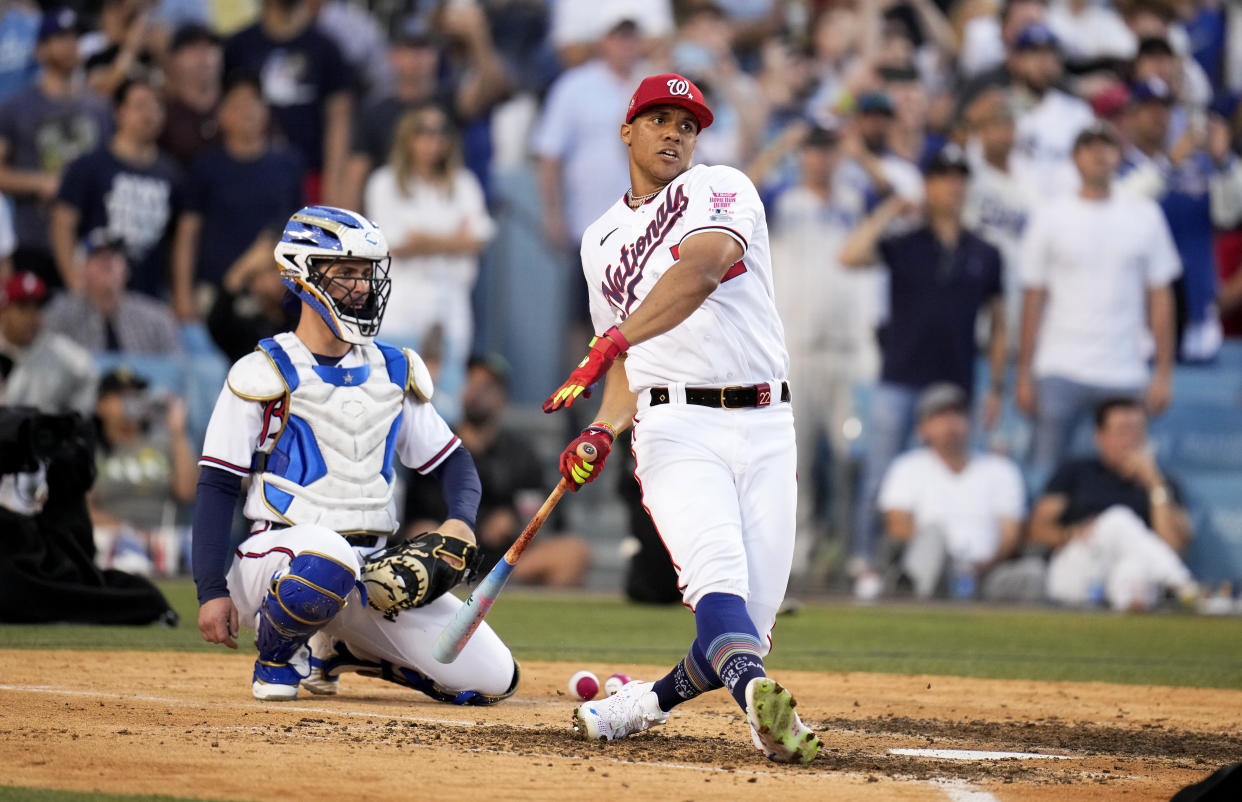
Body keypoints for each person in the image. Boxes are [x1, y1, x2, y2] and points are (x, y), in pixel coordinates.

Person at [541, 73, 820, 763]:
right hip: (674, 427)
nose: (675, 132)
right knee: (714, 576)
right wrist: (604, 428)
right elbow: (628, 366)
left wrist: (614, 340)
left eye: (687, 124)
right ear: (627, 129)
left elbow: (698, 273)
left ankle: (643, 703)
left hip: (764, 421)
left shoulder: (720, 187)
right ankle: (761, 705)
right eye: (659, 118)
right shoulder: (599, 239)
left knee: (747, 624)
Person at [192, 205, 518, 705]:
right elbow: (217, 485)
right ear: (301, 274)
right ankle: (278, 659)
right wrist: (211, 589)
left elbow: (452, 462)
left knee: (493, 679)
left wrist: (461, 521)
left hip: (371, 570)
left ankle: (338, 650)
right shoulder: (262, 370)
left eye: (366, 273)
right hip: (275, 559)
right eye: (345, 272)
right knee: (329, 555)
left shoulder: (393, 367)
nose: (362, 286)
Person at [839, 145, 1006, 599]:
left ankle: (926, 567)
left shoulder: (985, 250)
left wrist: (996, 386)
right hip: (901, 374)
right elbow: (849, 255)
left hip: (955, 380)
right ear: (928, 185)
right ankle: (866, 562)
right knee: (881, 475)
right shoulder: (905, 239)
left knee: (941, 475)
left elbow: (999, 320)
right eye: (942, 177)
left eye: (959, 177)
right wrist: (894, 205)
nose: (952, 185)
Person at [1016, 122, 1179, 480]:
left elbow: (1160, 296)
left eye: (1106, 146)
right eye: (1089, 147)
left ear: (1118, 155)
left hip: (1123, 367)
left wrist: (1163, 372)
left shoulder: (1144, 214)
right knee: (1045, 472)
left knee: (1130, 474)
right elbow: (1033, 298)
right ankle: (1043, 538)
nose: (1099, 154)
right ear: (1075, 159)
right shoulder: (1051, 215)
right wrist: (1024, 373)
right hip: (1060, 367)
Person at [404, 355, 591, 587]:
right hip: (449, 549)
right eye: (470, 382)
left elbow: (544, 506)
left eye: (486, 386)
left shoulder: (520, 453)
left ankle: (520, 608)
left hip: (506, 559)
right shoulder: (437, 445)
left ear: (503, 398)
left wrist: (513, 518)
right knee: (422, 535)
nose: (476, 392)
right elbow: (416, 512)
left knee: (573, 552)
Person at [364, 104, 494, 422]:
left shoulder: (463, 183)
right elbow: (392, 246)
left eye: (439, 133)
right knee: (391, 403)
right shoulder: (384, 182)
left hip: (451, 304)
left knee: (444, 406)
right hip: (399, 305)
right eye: (423, 132)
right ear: (408, 138)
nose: (432, 141)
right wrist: (452, 240)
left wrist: (425, 240)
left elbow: (477, 240)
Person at [1028, 398, 1195, 611]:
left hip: (1130, 578)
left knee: (1133, 567)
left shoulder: (1163, 482)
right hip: (1078, 572)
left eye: (1137, 431)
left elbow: (1172, 545)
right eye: (1123, 431)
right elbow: (1035, 530)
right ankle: (1184, 586)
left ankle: (1136, 611)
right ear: (1100, 436)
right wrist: (1071, 534)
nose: (1131, 439)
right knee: (1118, 520)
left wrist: (1153, 484)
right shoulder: (1075, 471)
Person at [171, 72, 303, 321]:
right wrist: (182, 294)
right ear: (222, 114)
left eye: (254, 102)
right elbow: (188, 233)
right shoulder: (205, 167)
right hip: (216, 288)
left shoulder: (288, 163)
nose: (248, 111)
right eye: (238, 104)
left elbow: (299, 228)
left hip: (274, 291)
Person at [878, 383, 1026, 600]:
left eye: (957, 414)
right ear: (922, 427)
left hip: (988, 572)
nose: (950, 424)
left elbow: (1011, 534)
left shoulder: (1002, 469)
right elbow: (898, 527)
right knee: (933, 536)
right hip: (934, 570)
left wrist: (983, 565)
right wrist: (950, 562)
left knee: (1033, 574)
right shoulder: (906, 467)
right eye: (940, 416)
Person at [0, 8, 111, 288]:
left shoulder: (99, 107)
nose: (70, 45)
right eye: (59, 38)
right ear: (40, 50)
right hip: (35, 239)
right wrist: (41, 183)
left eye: (74, 37)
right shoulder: (16, 108)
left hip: (92, 240)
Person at [51, 78, 182, 298]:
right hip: (94, 293)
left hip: (148, 296)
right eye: (141, 105)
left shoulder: (172, 174)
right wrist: (73, 278)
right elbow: (62, 224)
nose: (149, 113)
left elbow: (177, 241)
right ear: (119, 112)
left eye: (157, 106)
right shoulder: (89, 166)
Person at [223, 0, 353, 205]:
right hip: (247, 173)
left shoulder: (327, 48)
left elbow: (339, 119)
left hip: (311, 177)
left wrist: (334, 185)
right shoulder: (238, 47)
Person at [89, 367, 197, 576]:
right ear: (101, 405)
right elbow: (82, 509)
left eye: (136, 395)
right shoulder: (93, 450)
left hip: (163, 536)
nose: (130, 401)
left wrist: (178, 432)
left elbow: (188, 492)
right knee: (123, 554)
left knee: (194, 544)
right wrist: (124, 530)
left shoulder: (164, 442)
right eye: (120, 396)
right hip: (113, 538)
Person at [43, 228, 181, 354]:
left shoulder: (156, 319)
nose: (107, 260)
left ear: (126, 270)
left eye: (114, 254)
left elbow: (179, 371)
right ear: (81, 270)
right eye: (96, 255)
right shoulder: (60, 316)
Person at [0, 270, 96, 417]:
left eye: (38, 307)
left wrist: (71, 420)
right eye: (23, 307)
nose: (32, 317)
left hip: (40, 435)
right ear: (4, 312)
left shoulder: (63, 353)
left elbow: (89, 376)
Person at [157, 23, 223, 170]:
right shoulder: (161, 115)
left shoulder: (237, 109)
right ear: (173, 60)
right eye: (193, 47)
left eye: (211, 46)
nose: (204, 55)